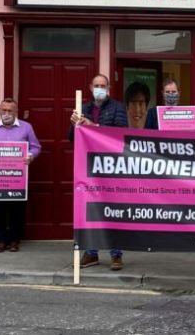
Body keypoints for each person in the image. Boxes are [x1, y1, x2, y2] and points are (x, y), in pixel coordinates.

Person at [69, 74, 128, 270]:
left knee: (112, 209)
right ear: (90, 87)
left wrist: (93, 127)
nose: (100, 88)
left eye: (103, 85)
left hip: (110, 166)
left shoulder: (117, 107)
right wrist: (73, 125)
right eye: (97, 85)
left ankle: (116, 253)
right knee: (90, 208)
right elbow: (72, 139)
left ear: (109, 88)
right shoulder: (83, 108)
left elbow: (120, 135)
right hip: (88, 166)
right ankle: (91, 252)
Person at [0, 98, 41, 253]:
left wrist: (31, 156)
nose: (6, 113)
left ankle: (14, 240)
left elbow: (36, 147)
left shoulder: (26, 128)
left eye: (10, 110)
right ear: (0, 111)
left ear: (16, 112)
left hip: (17, 178)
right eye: (4, 110)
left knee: (17, 210)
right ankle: (0, 241)